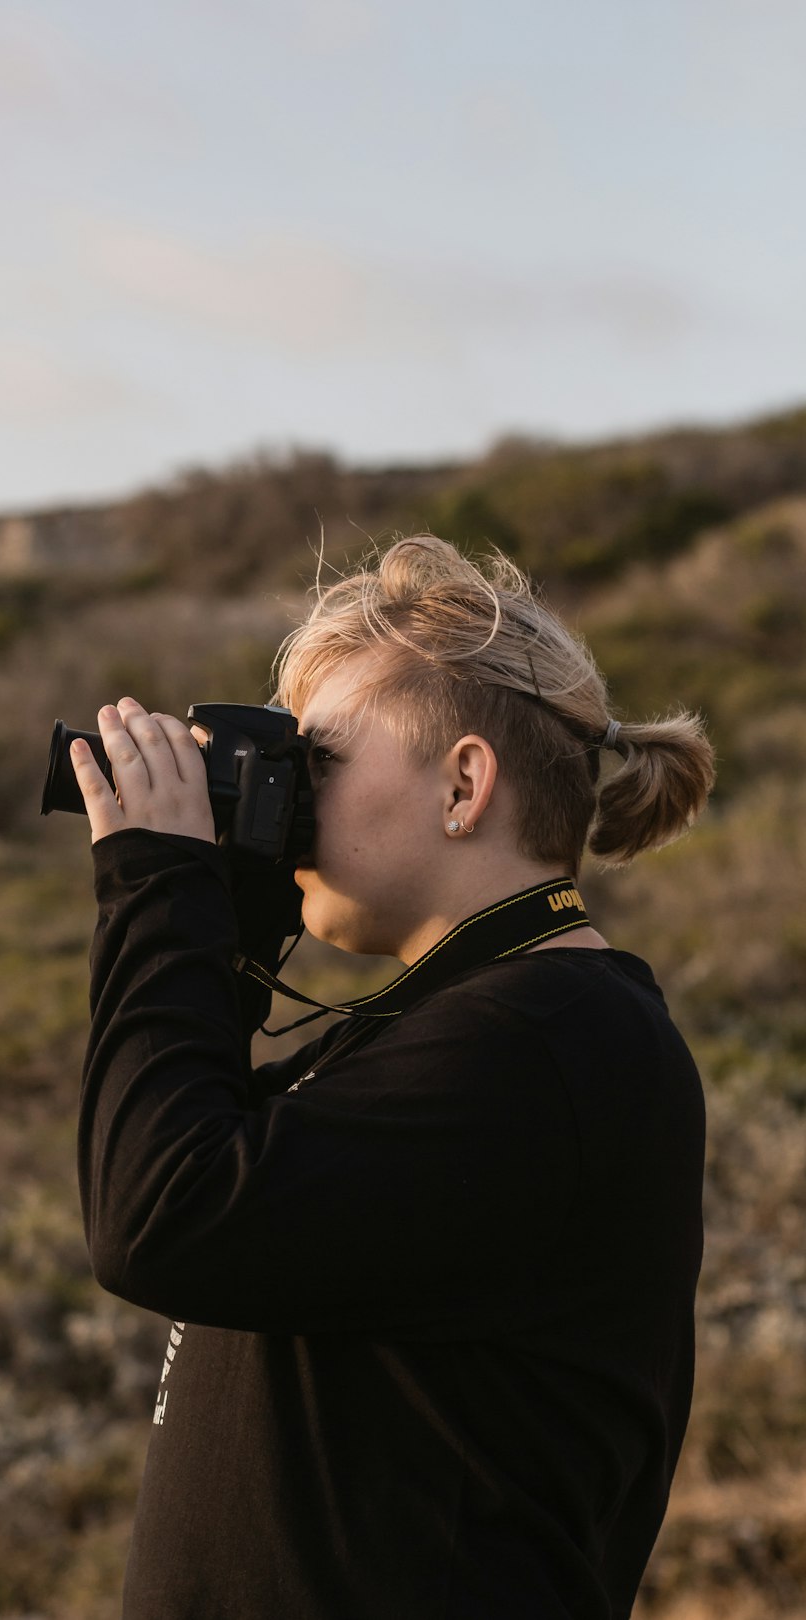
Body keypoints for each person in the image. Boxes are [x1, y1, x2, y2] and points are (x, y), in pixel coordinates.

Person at [70, 536, 715, 1620]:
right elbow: (205, 1190)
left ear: (465, 783)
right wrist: (236, 922)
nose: (285, 798)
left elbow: (161, 1213)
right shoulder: (474, 1030)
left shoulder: (549, 1039)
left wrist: (157, 891)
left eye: (313, 762)